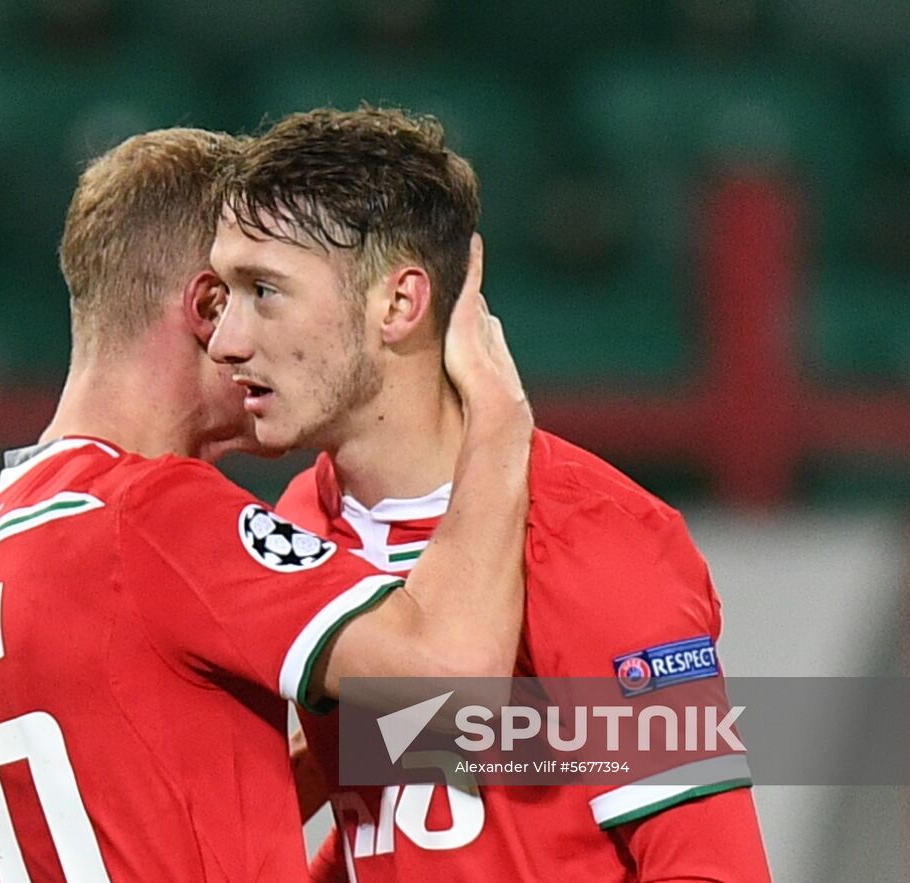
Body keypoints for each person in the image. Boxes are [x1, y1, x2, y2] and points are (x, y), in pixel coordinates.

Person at [0, 127, 533, 882]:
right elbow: (454, 674)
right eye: (258, 293)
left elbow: (175, 789)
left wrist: (618, 741)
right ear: (208, 308)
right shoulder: (152, 517)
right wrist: (500, 418)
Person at [209, 106, 772, 882]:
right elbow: (395, 819)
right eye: (222, 295)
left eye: (264, 291)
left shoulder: (599, 540)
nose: (225, 340)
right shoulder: (298, 521)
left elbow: (712, 869)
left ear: (399, 305)